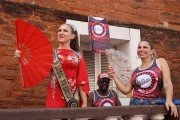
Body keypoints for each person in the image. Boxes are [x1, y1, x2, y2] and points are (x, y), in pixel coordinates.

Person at [14, 23, 90, 109]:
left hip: (73, 98)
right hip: (54, 95)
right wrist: (21, 57)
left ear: (72, 36)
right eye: (59, 30)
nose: (61, 32)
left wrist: (84, 103)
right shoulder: (50, 54)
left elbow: (82, 80)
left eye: (65, 31)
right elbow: (34, 65)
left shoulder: (78, 56)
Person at [108, 40, 178, 119]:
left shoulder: (160, 62)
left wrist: (169, 100)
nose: (141, 49)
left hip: (154, 103)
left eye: (145, 47)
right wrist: (114, 76)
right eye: (139, 47)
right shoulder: (134, 71)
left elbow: (167, 83)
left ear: (152, 51)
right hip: (136, 103)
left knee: (158, 118)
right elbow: (126, 90)